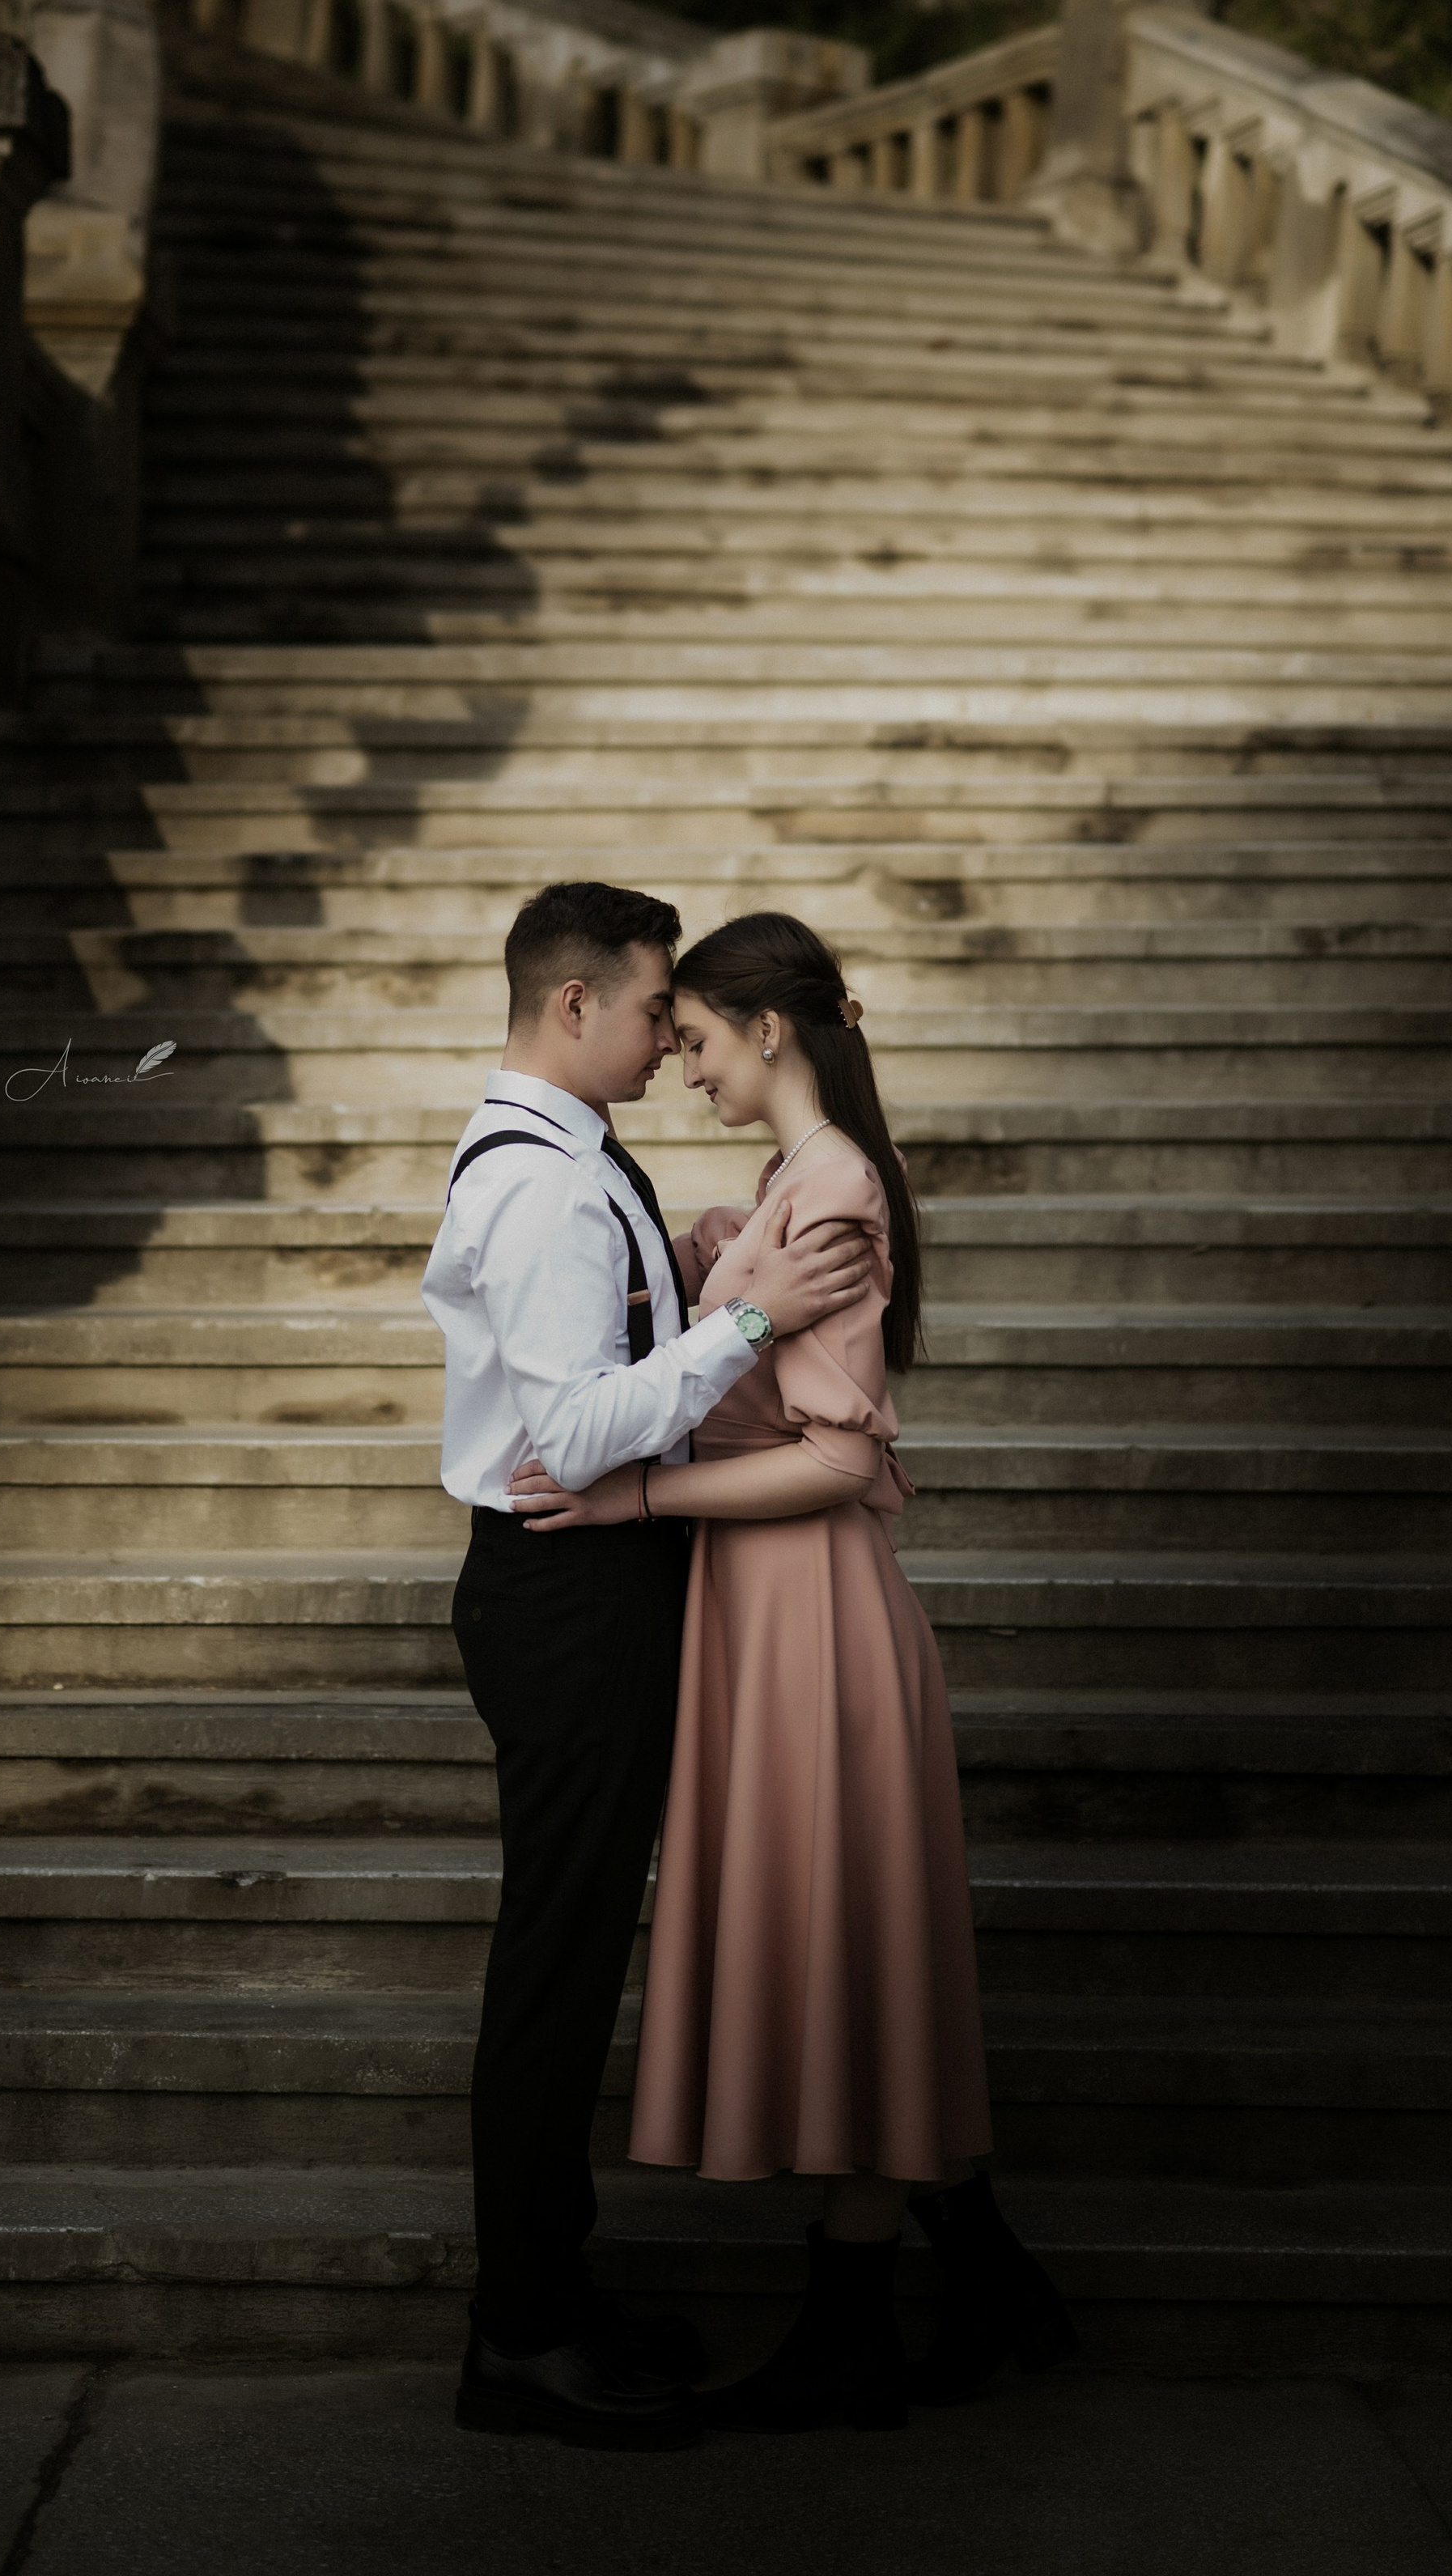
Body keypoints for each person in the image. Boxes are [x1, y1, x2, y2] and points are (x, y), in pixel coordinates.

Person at [511, 910, 1077, 2430]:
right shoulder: (792, 1184)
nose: (679, 1065)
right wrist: (712, 1256)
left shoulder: (830, 1191)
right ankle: (985, 2277)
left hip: (808, 1610)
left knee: (849, 1953)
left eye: (693, 1038)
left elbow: (833, 1458)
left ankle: (860, 2328)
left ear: (771, 1031)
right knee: (852, 1956)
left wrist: (628, 1495)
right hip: (764, 1612)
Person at [424, 880, 877, 2451]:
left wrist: (707, 1270)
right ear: (570, 1006)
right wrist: (745, 1320)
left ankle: (549, 2294)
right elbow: (577, 1435)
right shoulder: (547, 1186)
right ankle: (523, 2334)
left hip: (576, 1594)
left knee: (565, 1954)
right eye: (641, 1010)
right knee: (554, 1968)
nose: (658, 1038)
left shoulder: (560, 1165)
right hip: (567, 1596)